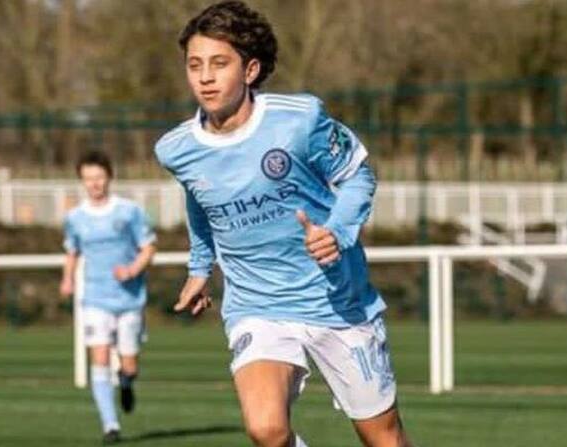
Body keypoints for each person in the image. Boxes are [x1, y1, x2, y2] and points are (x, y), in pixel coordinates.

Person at [154, 2, 414, 446]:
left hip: (336, 301)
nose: (205, 77)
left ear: (251, 69)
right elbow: (201, 203)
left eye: (220, 63)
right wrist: (200, 268)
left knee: (383, 438)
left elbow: (358, 175)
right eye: (195, 65)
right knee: (266, 429)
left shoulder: (300, 119)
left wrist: (337, 232)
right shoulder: (176, 149)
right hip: (257, 304)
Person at [59, 151, 157, 445]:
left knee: (129, 364)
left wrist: (132, 269)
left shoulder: (129, 211)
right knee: (99, 358)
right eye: (88, 179)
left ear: (109, 177)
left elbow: (149, 247)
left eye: (99, 178)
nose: (94, 184)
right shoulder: (75, 218)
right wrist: (67, 278)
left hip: (129, 299)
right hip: (95, 299)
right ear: (82, 181)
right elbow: (72, 252)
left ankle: (126, 382)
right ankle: (110, 425)